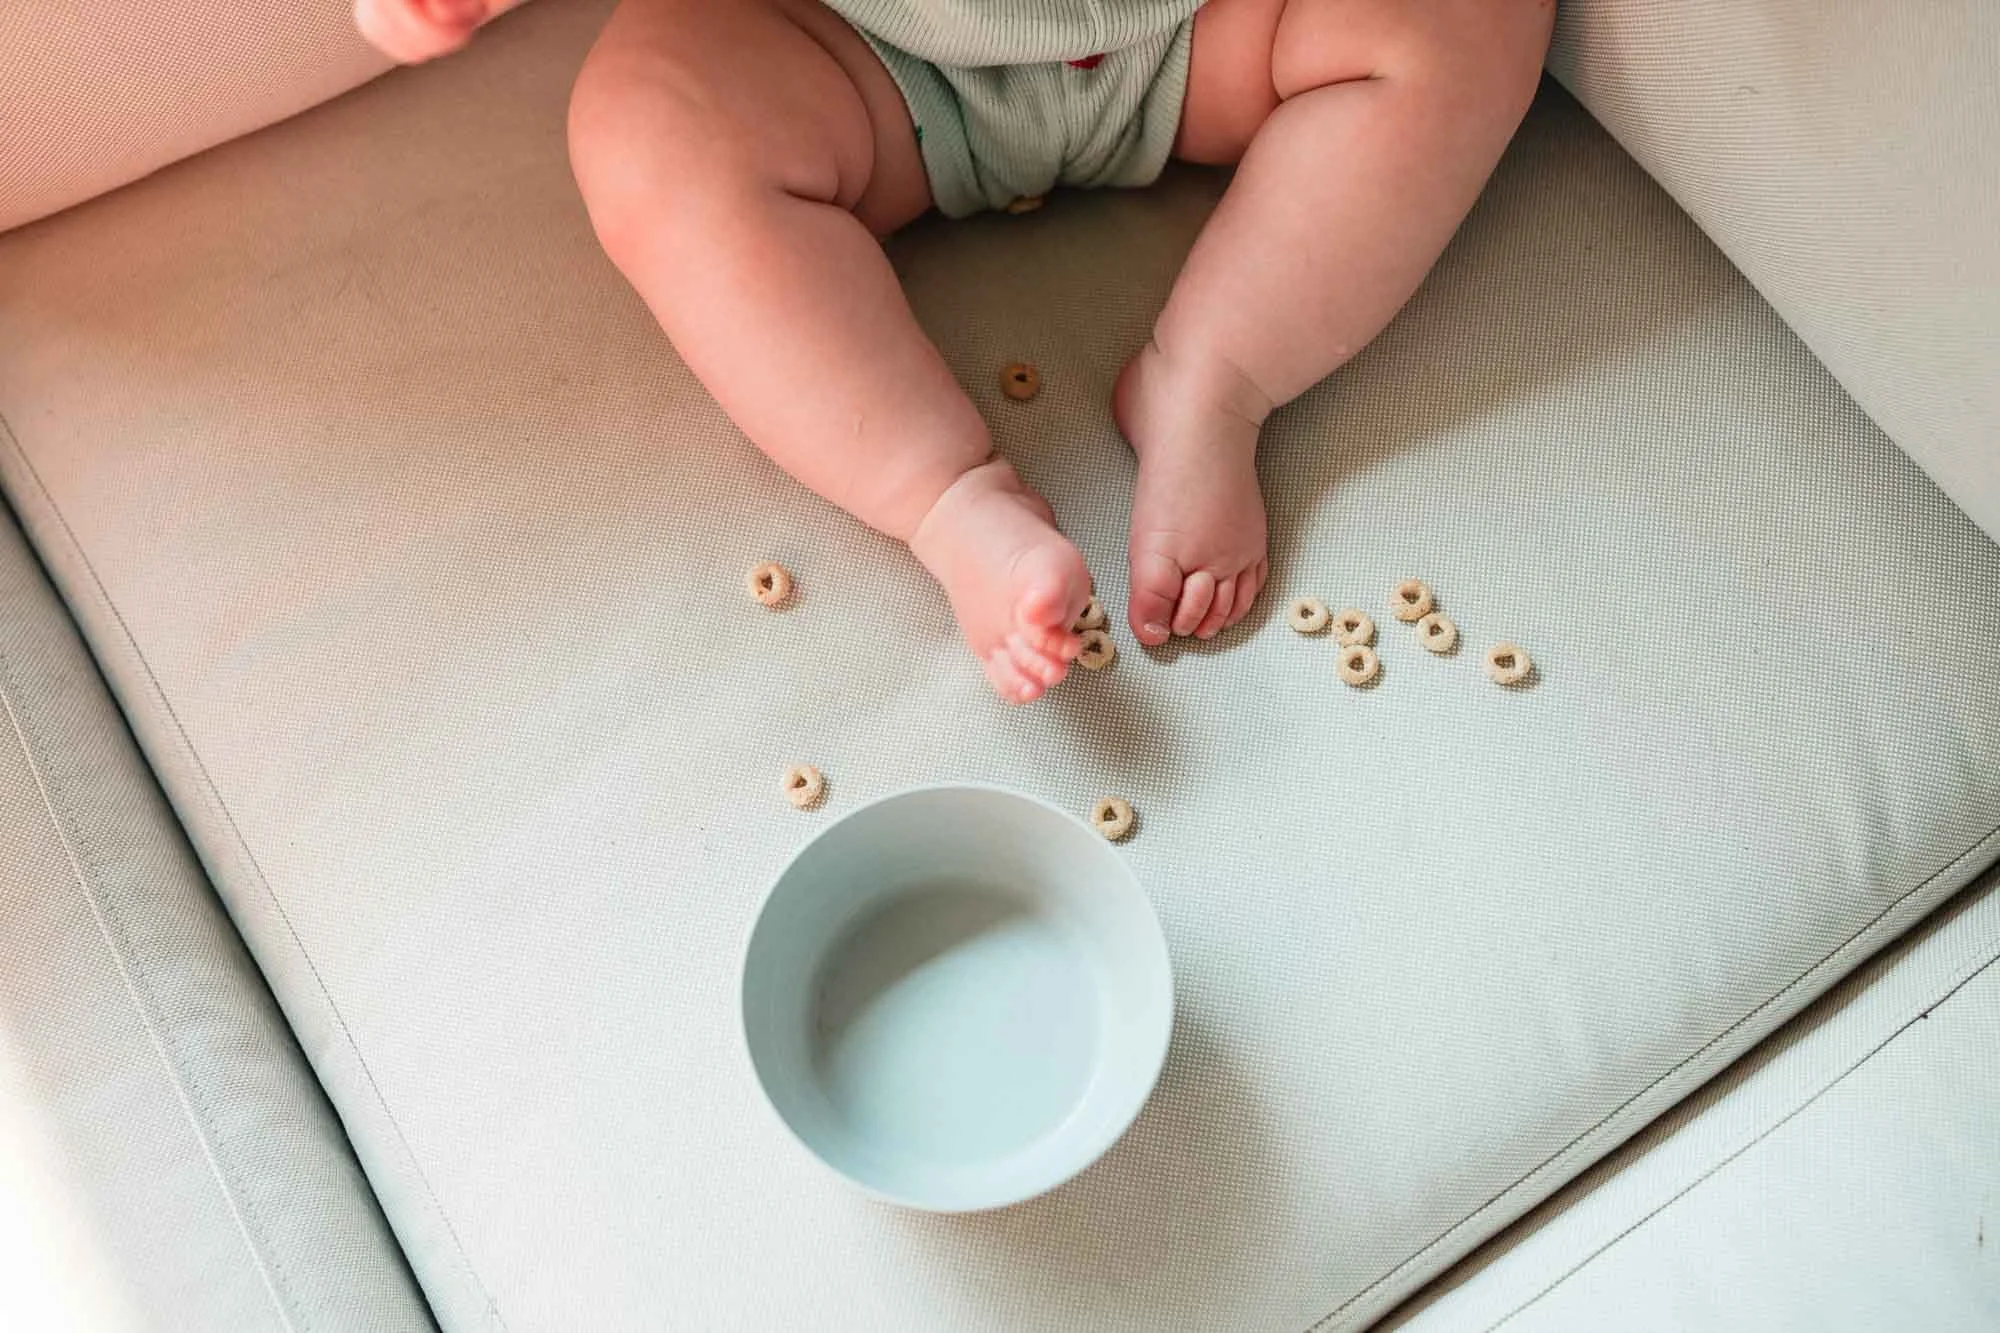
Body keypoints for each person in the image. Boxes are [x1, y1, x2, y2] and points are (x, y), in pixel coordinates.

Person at [356, 0, 1553, 701]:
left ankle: (1214, 375)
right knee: (648, 125)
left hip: (1205, 33)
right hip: (855, 53)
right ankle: (944, 498)